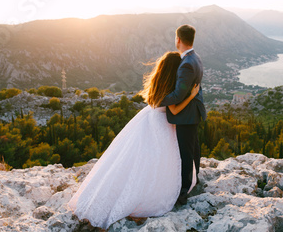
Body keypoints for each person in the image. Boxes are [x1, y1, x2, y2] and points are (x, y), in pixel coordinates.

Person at [67, 51, 201, 230]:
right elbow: (175, 111)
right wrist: (192, 95)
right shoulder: (171, 88)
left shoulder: (158, 83)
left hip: (148, 119)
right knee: (159, 160)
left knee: (133, 160)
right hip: (162, 125)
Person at [159, 24, 206, 206]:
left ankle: (185, 190)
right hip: (193, 111)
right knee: (193, 147)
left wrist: (157, 100)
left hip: (186, 114)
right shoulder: (196, 58)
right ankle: (196, 177)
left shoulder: (186, 64)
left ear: (178, 39)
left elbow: (178, 95)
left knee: (186, 152)